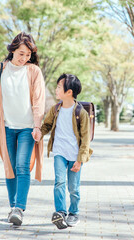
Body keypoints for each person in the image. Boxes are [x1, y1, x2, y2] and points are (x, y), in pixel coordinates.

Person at [0, 32, 45, 226]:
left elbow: (38, 101)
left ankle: (19, 208)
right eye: (21, 53)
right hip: (6, 128)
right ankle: (13, 207)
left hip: (28, 128)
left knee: (22, 166)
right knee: (10, 167)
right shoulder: (0, 68)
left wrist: (37, 126)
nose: (24, 58)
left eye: (28, 55)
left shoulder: (33, 71)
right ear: (12, 50)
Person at [38, 73, 93, 229]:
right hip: (59, 153)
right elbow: (46, 126)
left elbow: (85, 140)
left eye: (59, 87)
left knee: (73, 188)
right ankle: (60, 213)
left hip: (75, 155)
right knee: (59, 182)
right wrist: (39, 134)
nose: (56, 90)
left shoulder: (81, 113)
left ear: (69, 92)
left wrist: (80, 160)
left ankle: (74, 213)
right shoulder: (55, 109)